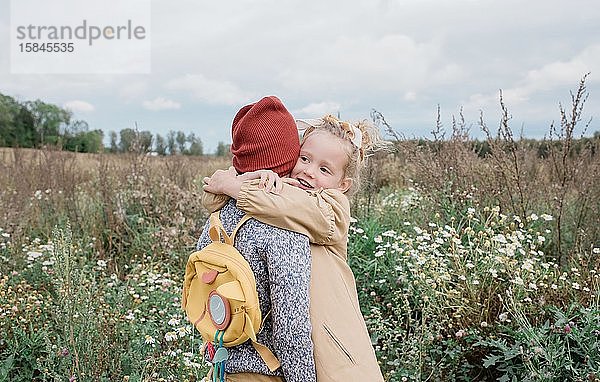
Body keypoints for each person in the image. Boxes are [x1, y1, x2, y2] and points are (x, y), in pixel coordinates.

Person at [203, 114, 388, 381]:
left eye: (325, 170)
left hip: (333, 340)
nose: (309, 171)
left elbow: (287, 206)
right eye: (305, 159)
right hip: (300, 340)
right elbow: (215, 201)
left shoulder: (331, 209)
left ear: (343, 185)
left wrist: (235, 185)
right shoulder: (285, 196)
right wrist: (245, 179)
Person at [195, 96, 316, 382]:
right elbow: (291, 326)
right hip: (265, 372)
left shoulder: (219, 213)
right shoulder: (283, 225)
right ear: (289, 156)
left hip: (221, 369)